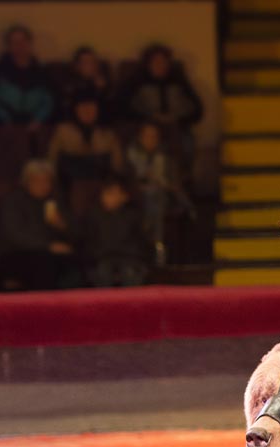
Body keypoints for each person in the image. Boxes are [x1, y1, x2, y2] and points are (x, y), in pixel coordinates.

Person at [0, 158, 79, 290]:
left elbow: (76, 234)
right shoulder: (13, 202)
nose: (43, 185)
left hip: (52, 255)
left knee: (75, 261)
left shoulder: (56, 201)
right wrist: (47, 246)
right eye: (37, 181)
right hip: (19, 254)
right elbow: (14, 235)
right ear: (27, 182)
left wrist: (61, 225)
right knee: (43, 263)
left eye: (47, 181)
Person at [126, 44, 204, 182]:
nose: (160, 65)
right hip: (149, 127)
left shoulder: (179, 81)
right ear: (148, 64)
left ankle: (182, 180)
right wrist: (150, 117)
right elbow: (126, 108)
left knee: (187, 144)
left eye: (164, 62)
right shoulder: (138, 82)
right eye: (156, 62)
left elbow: (197, 109)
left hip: (177, 125)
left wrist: (178, 118)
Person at [126, 120, 186, 266]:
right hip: (136, 197)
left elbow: (174, 184)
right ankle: (157, 245)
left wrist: (161, 183)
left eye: (154, 136)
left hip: (163, 196)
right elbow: (126, 182)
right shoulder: (130, 156)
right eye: (147, 135)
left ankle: (151, 239)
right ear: (140, 137)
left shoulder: (166, 157)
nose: (151, 139)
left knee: (155, 197)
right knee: (151, 198)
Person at [79, 175, 149, 287]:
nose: (107, 197)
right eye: (106, 193)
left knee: (130, 273)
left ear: (124, 196)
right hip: (103, 259)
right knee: (103, 272)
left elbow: (141, 244)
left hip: (129, 259)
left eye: (113, 193)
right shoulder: (93, 215)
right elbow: (89, 243)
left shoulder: (133, 216)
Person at [47, 91, 123, 186]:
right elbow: (52, 157)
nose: (87, 112)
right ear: (75, 110)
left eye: (91, 108)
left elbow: (117, 163)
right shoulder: (63, 131)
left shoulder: (108, 133)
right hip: (70, 180)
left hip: (100, 180)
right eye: (82, 108)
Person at [0, 24, 56, 128]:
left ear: (29, 44)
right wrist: (6, 121)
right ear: (9, 46)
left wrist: (38, 120)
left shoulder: (41, 73)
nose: (19, 45)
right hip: (6, 126)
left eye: (23, 41)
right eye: (14, 42)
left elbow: (48, 102)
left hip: (36, 126)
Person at [62, 45, 115, 121]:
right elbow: (68, 105)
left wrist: (102, 90)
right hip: (76, 124)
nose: (90, 66)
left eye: (92, 62)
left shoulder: (103, 81)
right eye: (86, 62)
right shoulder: (72, 84)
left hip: (100, 124)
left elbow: (110, 105)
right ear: (77, 66)